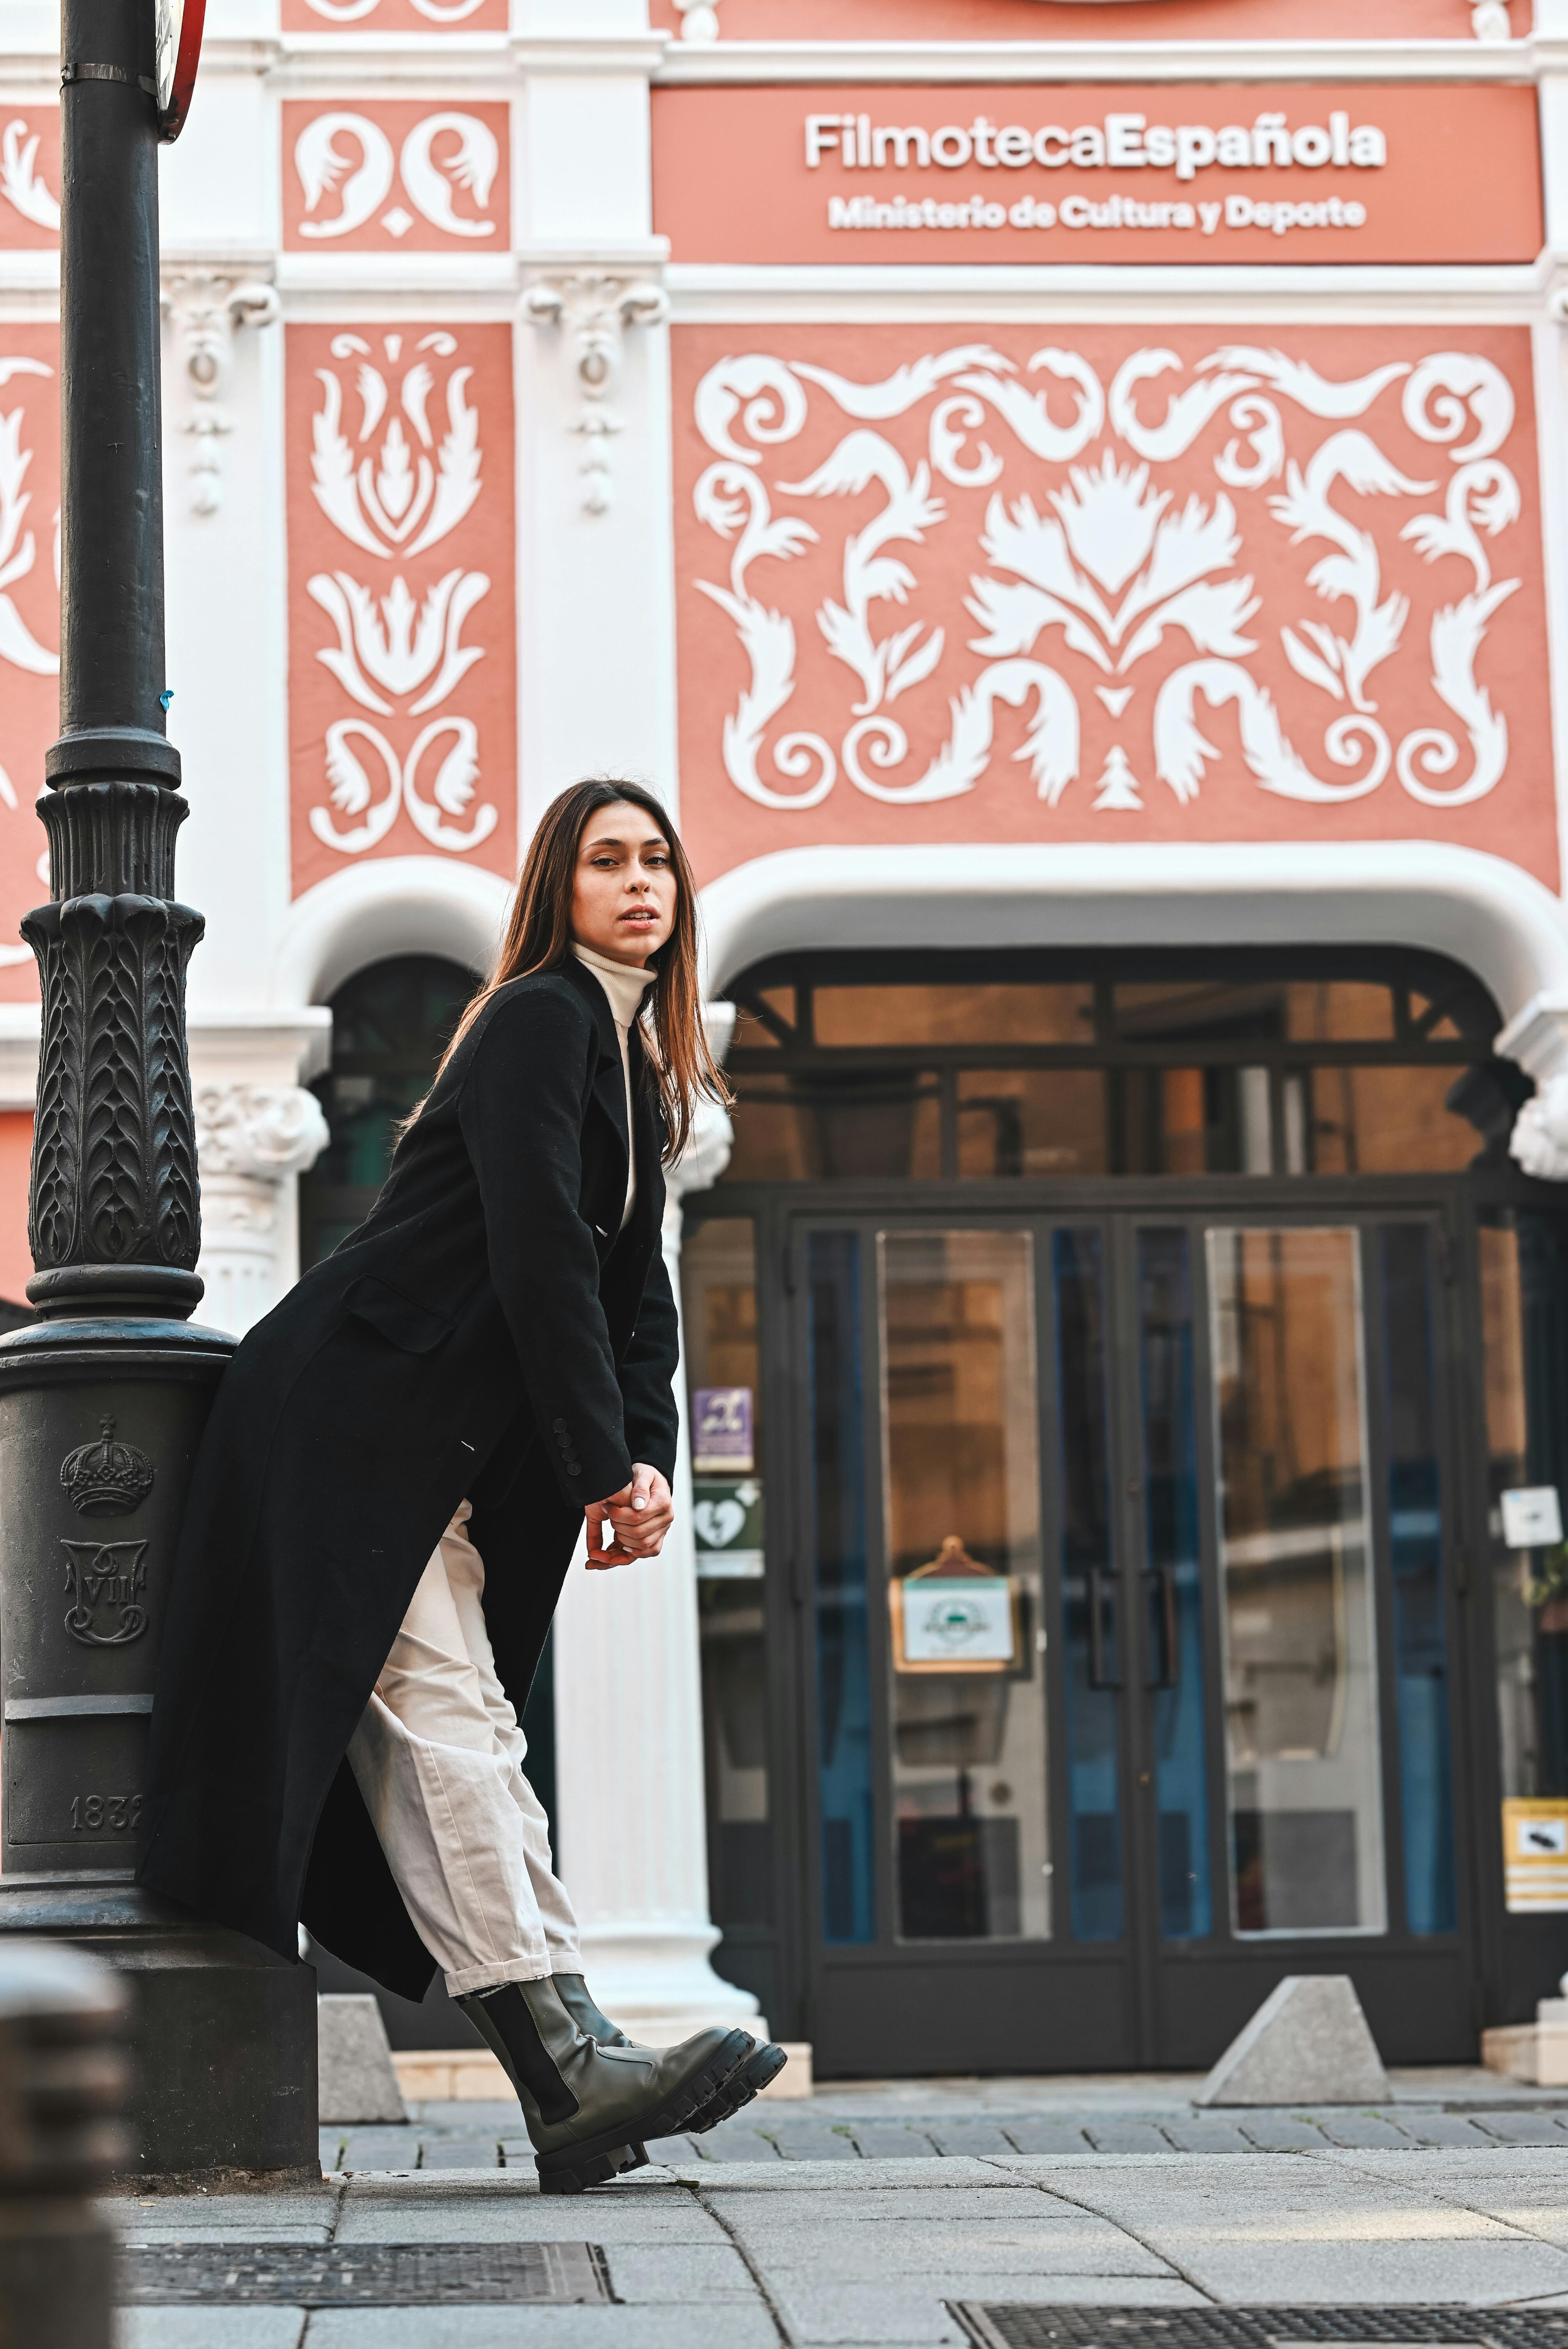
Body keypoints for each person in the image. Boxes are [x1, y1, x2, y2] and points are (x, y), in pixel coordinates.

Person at [137, 779, 784, 2193]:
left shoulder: (635, 1066)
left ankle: (574, 2061)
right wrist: (596, 1465)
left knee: (470, 1723)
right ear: (559, 887)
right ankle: (568, 2065)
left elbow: (635, 1296)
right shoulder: (541, 1016)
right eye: (608, 861)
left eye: (659, 861)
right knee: (446, 1723)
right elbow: (539, 1249)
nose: (642, 883)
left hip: (427, 1445)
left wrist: (645, 1459)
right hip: (351, 1417)